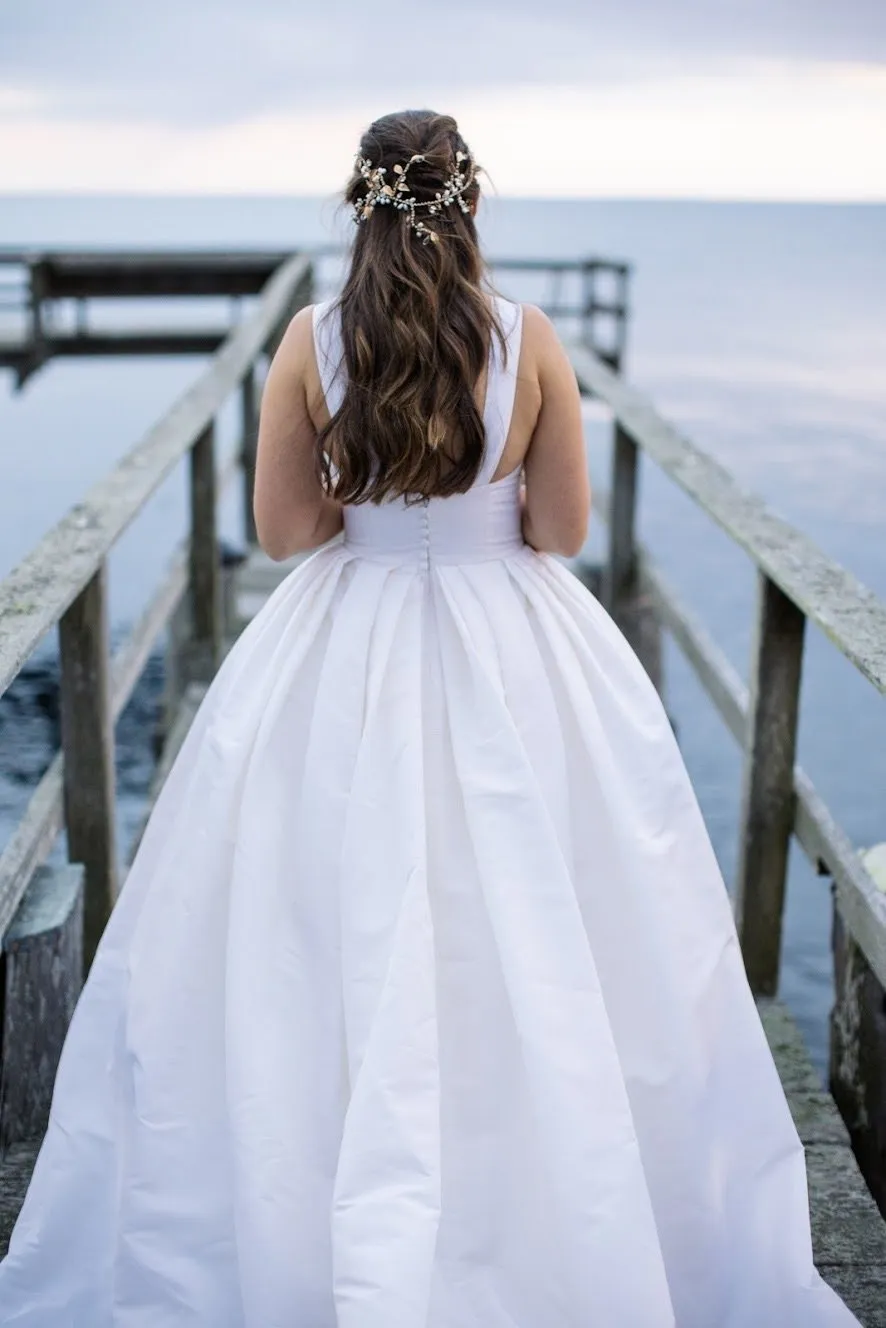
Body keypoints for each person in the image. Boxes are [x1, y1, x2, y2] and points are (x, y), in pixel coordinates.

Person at [0, 109, 861, 1328]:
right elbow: (562, 535)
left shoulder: (310, 341)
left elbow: (285, 534)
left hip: (337, 647)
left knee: (317, 922)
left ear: (358, 205)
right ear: (470, 202)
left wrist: (374, 505)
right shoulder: (530, 340)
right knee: (532, 911)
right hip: (510, 647)